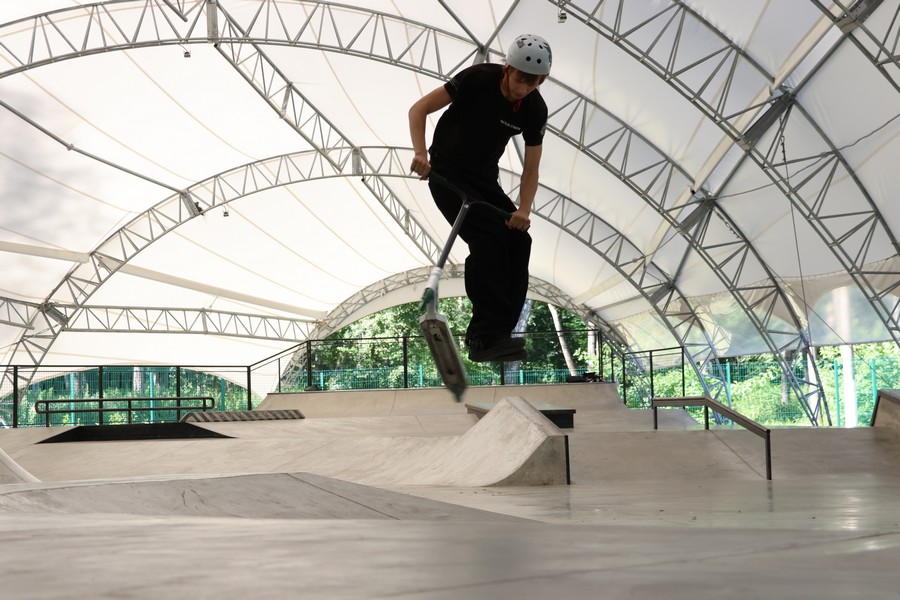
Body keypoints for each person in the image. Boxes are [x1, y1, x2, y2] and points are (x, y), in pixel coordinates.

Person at [408, 33, 551, 362]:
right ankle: (483, 336)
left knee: (518, 241)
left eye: (533, 84)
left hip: (484, 180)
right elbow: (419, 110)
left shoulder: (534, 109)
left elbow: (531, 169)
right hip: (446, 174)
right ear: (507, 70)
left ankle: (497, 334)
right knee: (487, 238)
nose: (523, 89)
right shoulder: (477, 79)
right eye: (520, 80)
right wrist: (421, 154)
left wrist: (524, 209)